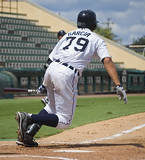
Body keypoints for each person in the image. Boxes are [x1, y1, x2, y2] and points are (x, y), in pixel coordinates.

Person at [15, 9, 127, 147]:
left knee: (51, 107)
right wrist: (118, 85)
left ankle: (28, 136)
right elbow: (107, 60)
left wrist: (45, 84)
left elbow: (49, 61)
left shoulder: (68, 35)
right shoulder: (96, 38)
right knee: (64, 121)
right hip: (67, 73)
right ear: (93, 24)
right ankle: (29, 118)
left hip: (52, 69)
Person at [40, 30, 67, 106]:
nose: (63, 37)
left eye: (64, 35)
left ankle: (48, 98)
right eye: (62, 35)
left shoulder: (63, 43)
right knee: (58, 83)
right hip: (52, 64)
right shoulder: (60, 44)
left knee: (58, 84)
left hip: (55, 64)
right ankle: (48, 98)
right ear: (59, 37)